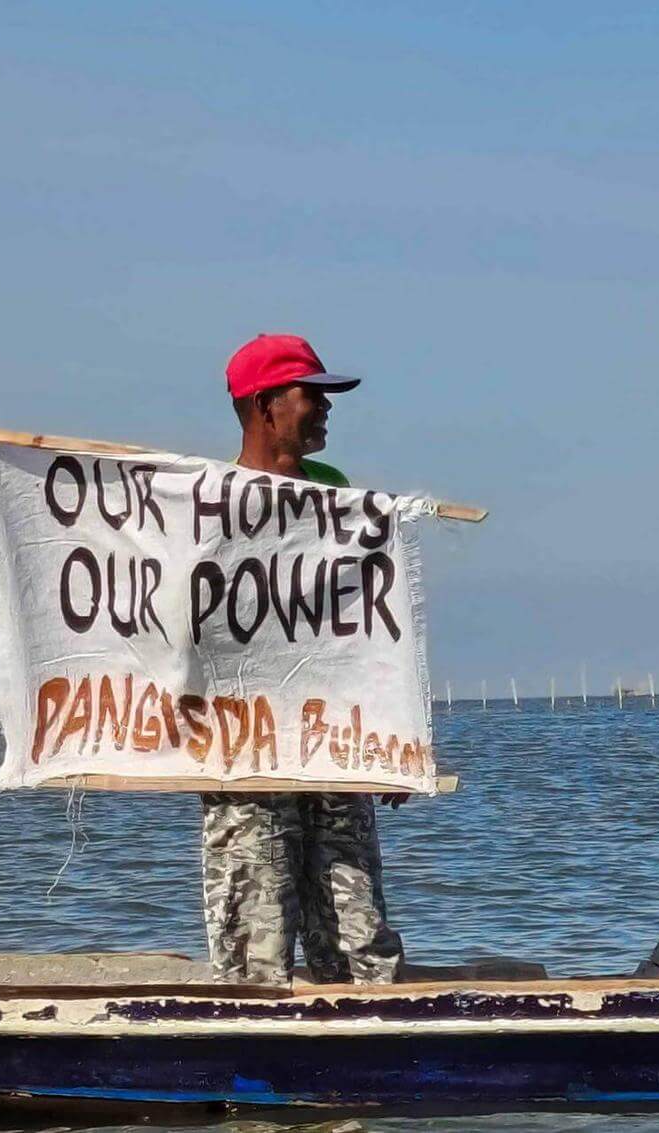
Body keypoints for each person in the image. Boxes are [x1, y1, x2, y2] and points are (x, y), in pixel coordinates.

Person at [200, 332, 406, 986]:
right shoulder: (207, 501)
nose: (324, 409)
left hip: (330, 742)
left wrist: (388, 740)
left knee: (356, 923)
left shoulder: (335, 493)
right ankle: (251, 1051)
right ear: (265, 406)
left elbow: (363, 631)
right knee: (256, 923)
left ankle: (371, 1044)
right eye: (310, 395)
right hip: (245, 748)